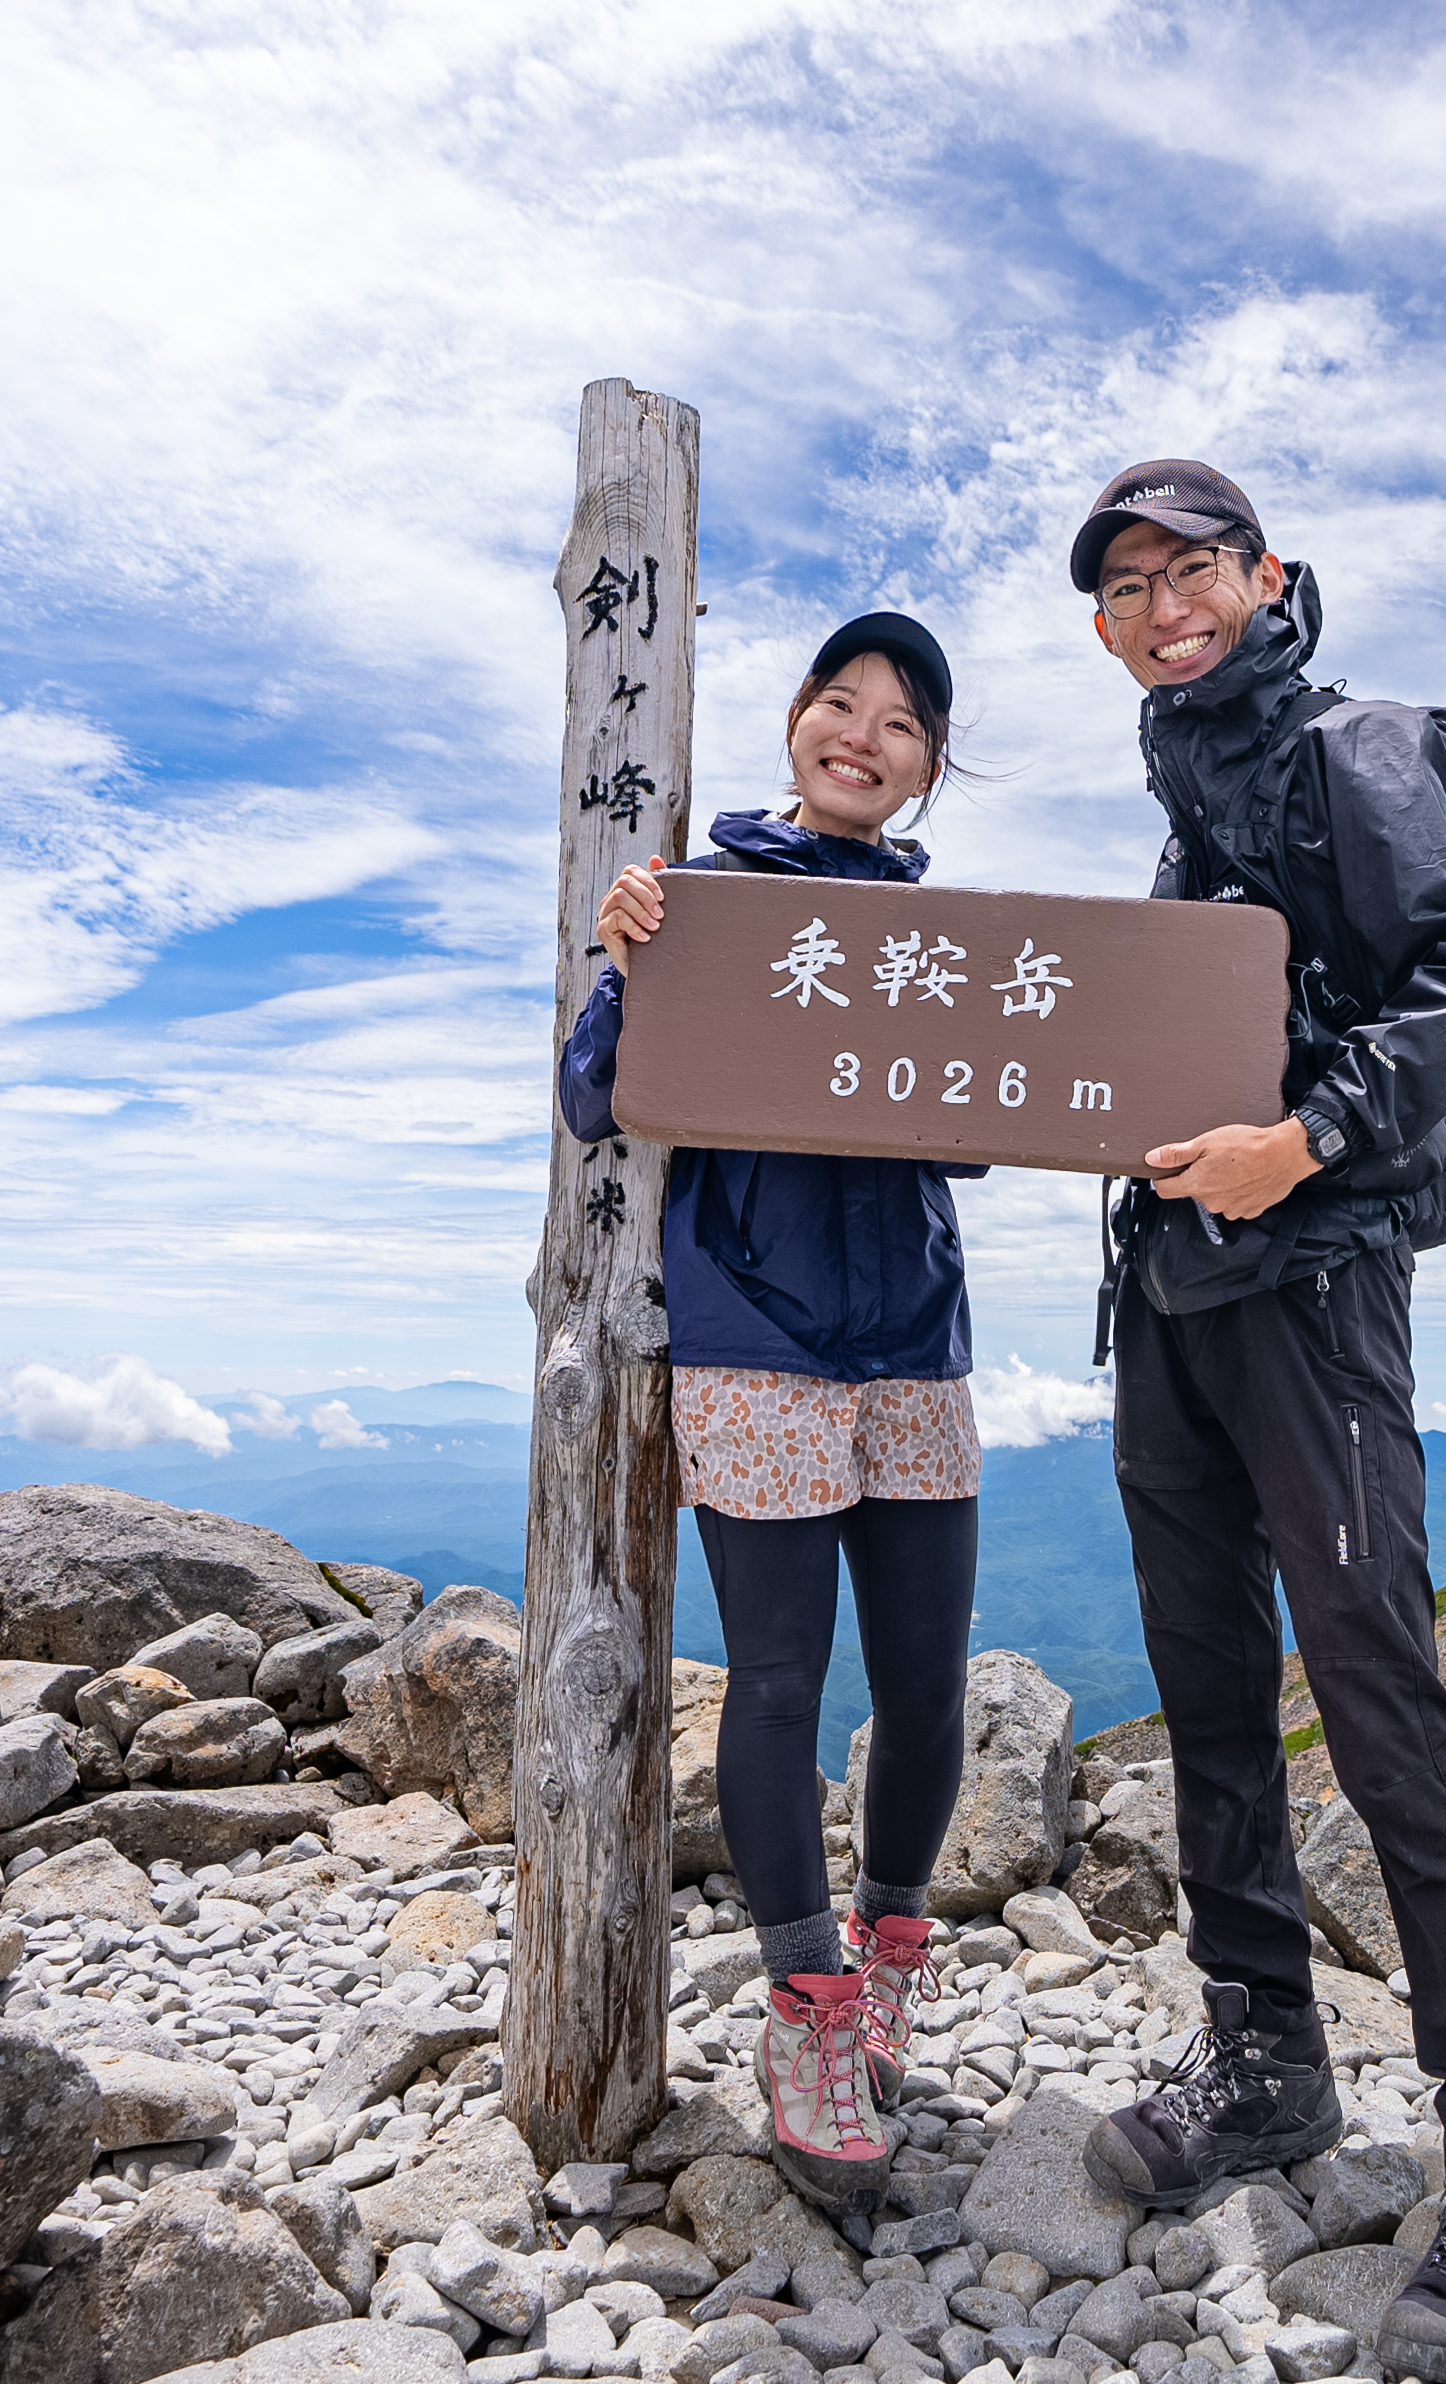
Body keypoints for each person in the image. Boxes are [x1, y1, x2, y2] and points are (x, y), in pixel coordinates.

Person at [1064, 462, 1446, 2382]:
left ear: (1265, 579)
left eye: (1191, 566)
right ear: (1106, 630)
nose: (1164, 602)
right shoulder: (1195, 811)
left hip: (1318, 1298)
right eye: (1127, 585)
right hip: (1172, 1304)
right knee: (1210, 1689)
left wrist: (1312, 1142)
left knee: (1380, 1702)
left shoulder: (1360, 754)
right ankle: (1266, 2062)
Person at [557, 611, 983, 2218]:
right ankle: (805, 2018)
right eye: (838, 702)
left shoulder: (957, 943)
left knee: (931, 1681)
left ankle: (887, 1958)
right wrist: (628, 959)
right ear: (796, 723)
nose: (862, 735)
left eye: (901, 722)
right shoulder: (705, 907)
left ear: (931, 766)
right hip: (753, 1346)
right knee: (786, 1678)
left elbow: (984, 1131)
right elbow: (603, 1101)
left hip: (916, 1346)